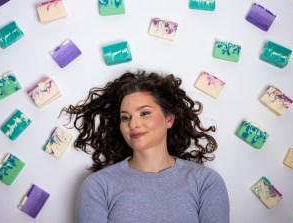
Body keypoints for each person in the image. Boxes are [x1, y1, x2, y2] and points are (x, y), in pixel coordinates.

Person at [61, 71, 230, 223]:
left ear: (169, 119)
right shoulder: (98, 186)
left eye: (145, 113)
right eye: (125, 117)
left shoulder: (206, 182)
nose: (133, 124)